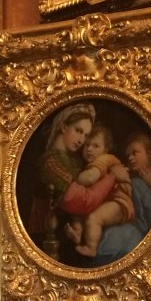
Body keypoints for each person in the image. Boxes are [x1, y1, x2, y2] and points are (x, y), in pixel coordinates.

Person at [31, 102, 126, 261]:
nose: (82, 140)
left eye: (86, 135)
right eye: (78, 131)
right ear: (63, 127)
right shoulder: (51, 163)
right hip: (47, 245)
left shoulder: (74, 161)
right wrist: (112, 176)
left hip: (68, 244)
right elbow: (84, 201)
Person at [64, 123, 135, 257]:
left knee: (94, 218)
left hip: (119, 203)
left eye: (95, 146)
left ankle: (91, 249)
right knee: (78, 211)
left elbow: (89, 178)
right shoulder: (88, 164)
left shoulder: (105, 159)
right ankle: (77, 234)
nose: (89, 149)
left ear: (106, 149)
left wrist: (72, 180)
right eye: (87, 145)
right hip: (101, 200)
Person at [94, 131, 151, 266]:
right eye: (128, 155)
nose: (130, 158)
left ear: (149, 153)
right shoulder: (132, 178)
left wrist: (150, 182)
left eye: (135, 153)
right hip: (131, 224)